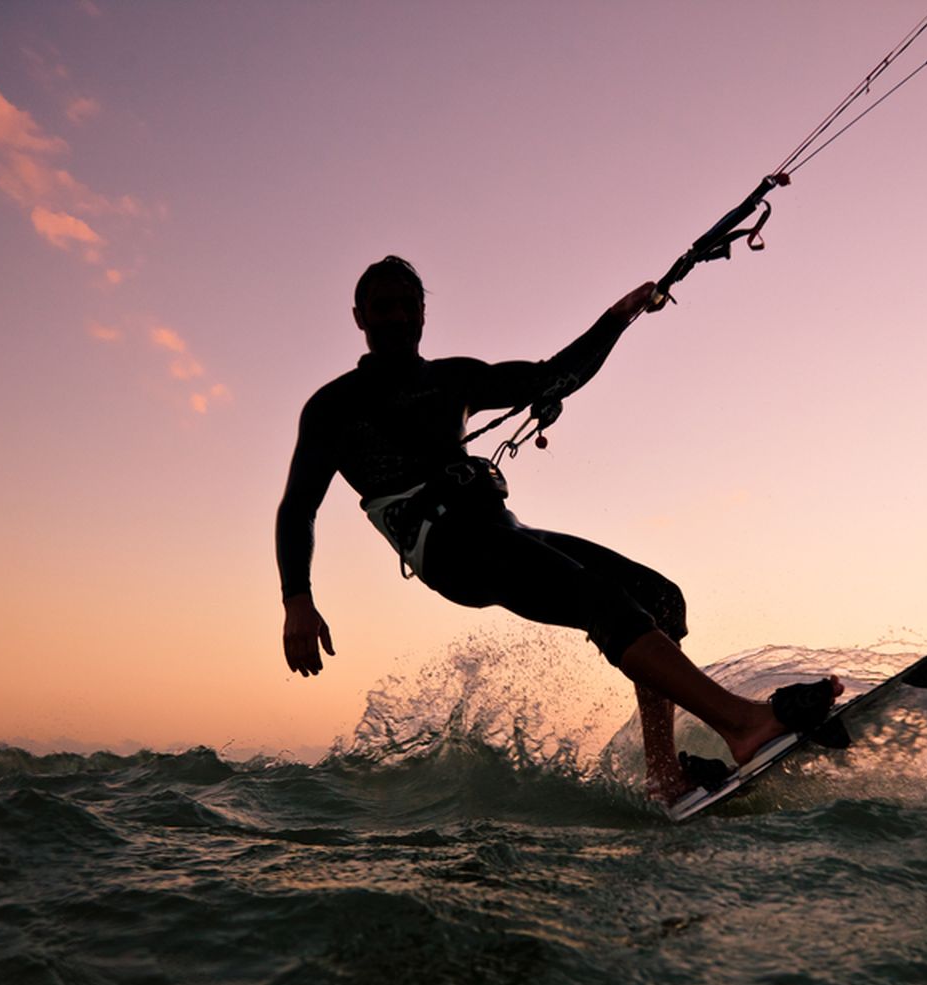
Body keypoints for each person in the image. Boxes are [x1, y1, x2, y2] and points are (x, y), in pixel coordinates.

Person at [276, 256, 840, 803]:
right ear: (359, 317)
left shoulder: (455, 379)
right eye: (383, 308)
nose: (397, 318)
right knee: (603, 601)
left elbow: (552, 378)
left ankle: (665, 776)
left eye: (408, 306)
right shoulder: (333, 406)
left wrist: (617, 317)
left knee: (659, 599)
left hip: (502, 529)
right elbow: (298, 507)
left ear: (424, 312)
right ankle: (742, 724)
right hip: (449, 548)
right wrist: (297, 598)